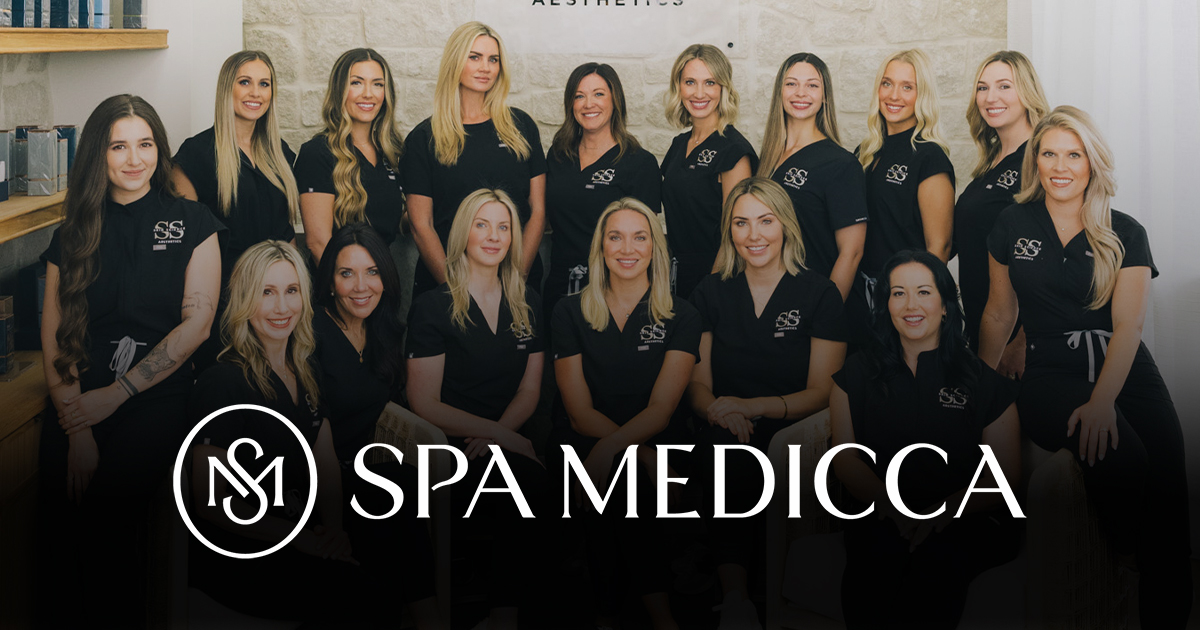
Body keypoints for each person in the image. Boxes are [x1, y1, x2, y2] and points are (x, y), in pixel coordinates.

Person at [980, 106, 1192, 627]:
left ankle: (1165, 614)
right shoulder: (1012, 223)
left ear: (1091, 162)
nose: (1060, 167)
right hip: (1049, 371)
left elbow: (1129, 326)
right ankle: (1125, 559)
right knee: (1123, 457)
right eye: (1049, 154)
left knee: (1170, 483)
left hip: (1124, 368)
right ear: (1035, 160)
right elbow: (999, 312)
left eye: (1073, 155)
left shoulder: (1125, 232)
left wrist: (1102, 401)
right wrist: (983, 393)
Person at [37, 94, 223, 626]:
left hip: (155, 398)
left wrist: (116, 395)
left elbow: (197, 325)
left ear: (160, 150)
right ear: (99, 154)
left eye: (145, 144)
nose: (134, 158)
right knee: (57, 523)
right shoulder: (73, 232)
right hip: (76, 399)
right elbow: (55, 336)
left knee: (107, 518)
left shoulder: (193, 221)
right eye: (119, 146)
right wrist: (77, 425)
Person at [187, 241, 438, 628]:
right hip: (250, 549)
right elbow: (212, 502)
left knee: (397, 489)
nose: (281, 307)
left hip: (303, 521)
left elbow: (325, 463)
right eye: (266, 293)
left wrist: (334, 530)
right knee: (367, 594)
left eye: (291, 291)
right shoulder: (223, 382)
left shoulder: (304, 369)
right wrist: (300, 538)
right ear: (244, 300)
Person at [686, 177, 847, 628]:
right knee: (725, 454)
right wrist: (719, 410)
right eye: (741, 223)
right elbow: (697, 385)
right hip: (725, 426)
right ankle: (736, 602)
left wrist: (753, 406)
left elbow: (823, 391)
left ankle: (768, 596)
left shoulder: (819, 293)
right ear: (729, 230)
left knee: (762, 459)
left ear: (786, 226)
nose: (753, 235)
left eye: (765, 221)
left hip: (795, 429)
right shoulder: (710, 291)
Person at [832, 250, 1021, 629]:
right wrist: (890, 504)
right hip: (884, 511)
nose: (911, 305)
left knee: (935, 565)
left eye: (923, 292)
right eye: (898, 293)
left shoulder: (983, 382)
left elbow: (1004, 477)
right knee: (872, 564)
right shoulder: (856, 373)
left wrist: (945, 510)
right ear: (885, 305)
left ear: (946, 305)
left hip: (965, 518)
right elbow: (844, 459)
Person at [551, 198, 700, 630]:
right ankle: (659, 616)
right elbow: (578, 412)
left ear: (655, 248)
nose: (627, 248)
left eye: (640, 237)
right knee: (619, 478)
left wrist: (618, 448)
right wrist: (637, 454)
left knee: (618, 479)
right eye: (615, 237)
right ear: (600, 247)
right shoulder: (569, 311)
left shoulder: (682, 314)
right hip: (584, 439)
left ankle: (608, 615)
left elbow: (662, 409)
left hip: (660, 440)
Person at [406, 189, 547, 630]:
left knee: (542, 488)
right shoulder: (433, 306)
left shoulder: (527, 301)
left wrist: (500, 436)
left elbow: (529, 390)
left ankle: (504, 616)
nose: (493, 236)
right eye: (482, 225)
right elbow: (423, 401)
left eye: (504, 227)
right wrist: (499, 437)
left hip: (506, 441)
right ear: (463, 233)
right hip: (452, 450)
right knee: (525, 485)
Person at [173, 50, 300, 370]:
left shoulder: (281, 154)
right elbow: (182, 248)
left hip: (277, 304)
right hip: (225, 305)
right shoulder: (196, 154)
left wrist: (295, 293)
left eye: (264, 84)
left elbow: (287, 236)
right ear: (226, 88)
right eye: (245, 82)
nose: (256, 92)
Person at [405, 22, 547, 301]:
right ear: (455, 61)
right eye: (475, 57)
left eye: (493, 59)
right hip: (447, 289)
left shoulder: (521, 126)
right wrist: (457, 293)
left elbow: (538, 211)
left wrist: (515, 281)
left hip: (517, 286)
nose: (486, 68)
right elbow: (421, 225)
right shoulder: (424, 138)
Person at [545, 62, 661, 332]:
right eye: (579, 96)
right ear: (571, 103)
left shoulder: (639, 163)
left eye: (598, 94)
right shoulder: (558, 155)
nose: (589, 104)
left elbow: (646, 241)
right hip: (561, 284)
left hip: (614, 291)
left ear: (614, 100)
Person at [953, 51, 1048, 371]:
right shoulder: (991, 162)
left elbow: (1055, 259)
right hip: (985, 326)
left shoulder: (1040, 158)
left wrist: (1020, 344)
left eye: (1004, 86)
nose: (990, 97)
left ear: (1027, 92)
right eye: (982, 88)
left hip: (1018, 341)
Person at [758, 52, 867, 304]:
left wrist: (826, 313)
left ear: (825, 96)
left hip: (816, 300)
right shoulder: (768, 159)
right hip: (775, 298)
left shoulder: (841, 164)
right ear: (779, 91)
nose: (801, 93)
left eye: (812, 85)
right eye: (791, 83)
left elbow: (852, 253)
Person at [856, 49, 955, 318]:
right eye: (887, 83)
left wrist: (916, 303)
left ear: (922, 95)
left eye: (907, 87)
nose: (894, 95)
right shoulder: (865, 152)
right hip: (863, 293)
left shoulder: (929, 156)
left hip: (904, 297)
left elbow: (939, 246)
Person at [660, 44, 757, 299]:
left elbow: (735, 234)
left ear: (723, 88)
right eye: (690, 82)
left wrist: (710, 293)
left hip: (716, 279)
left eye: (710, 82)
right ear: (678, 87)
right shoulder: (679, 144)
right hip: (677, 275)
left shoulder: (733, 150)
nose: (699, 93)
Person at [294, 48, 405, 264]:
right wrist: (351, 281)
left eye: (377, 84)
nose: (368, 93)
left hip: (383, 278)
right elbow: (318, 243)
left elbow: (393, 220)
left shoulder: (392, 152)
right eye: (356, 83)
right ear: (339, 90)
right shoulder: (317, 153)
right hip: (340, 279)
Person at [312, 222, 408, 464]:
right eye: (347, 273)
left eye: (372, 272)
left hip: (369, 465)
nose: (361, 286)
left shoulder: (384, 329)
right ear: (331, 282)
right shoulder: (312, 332)